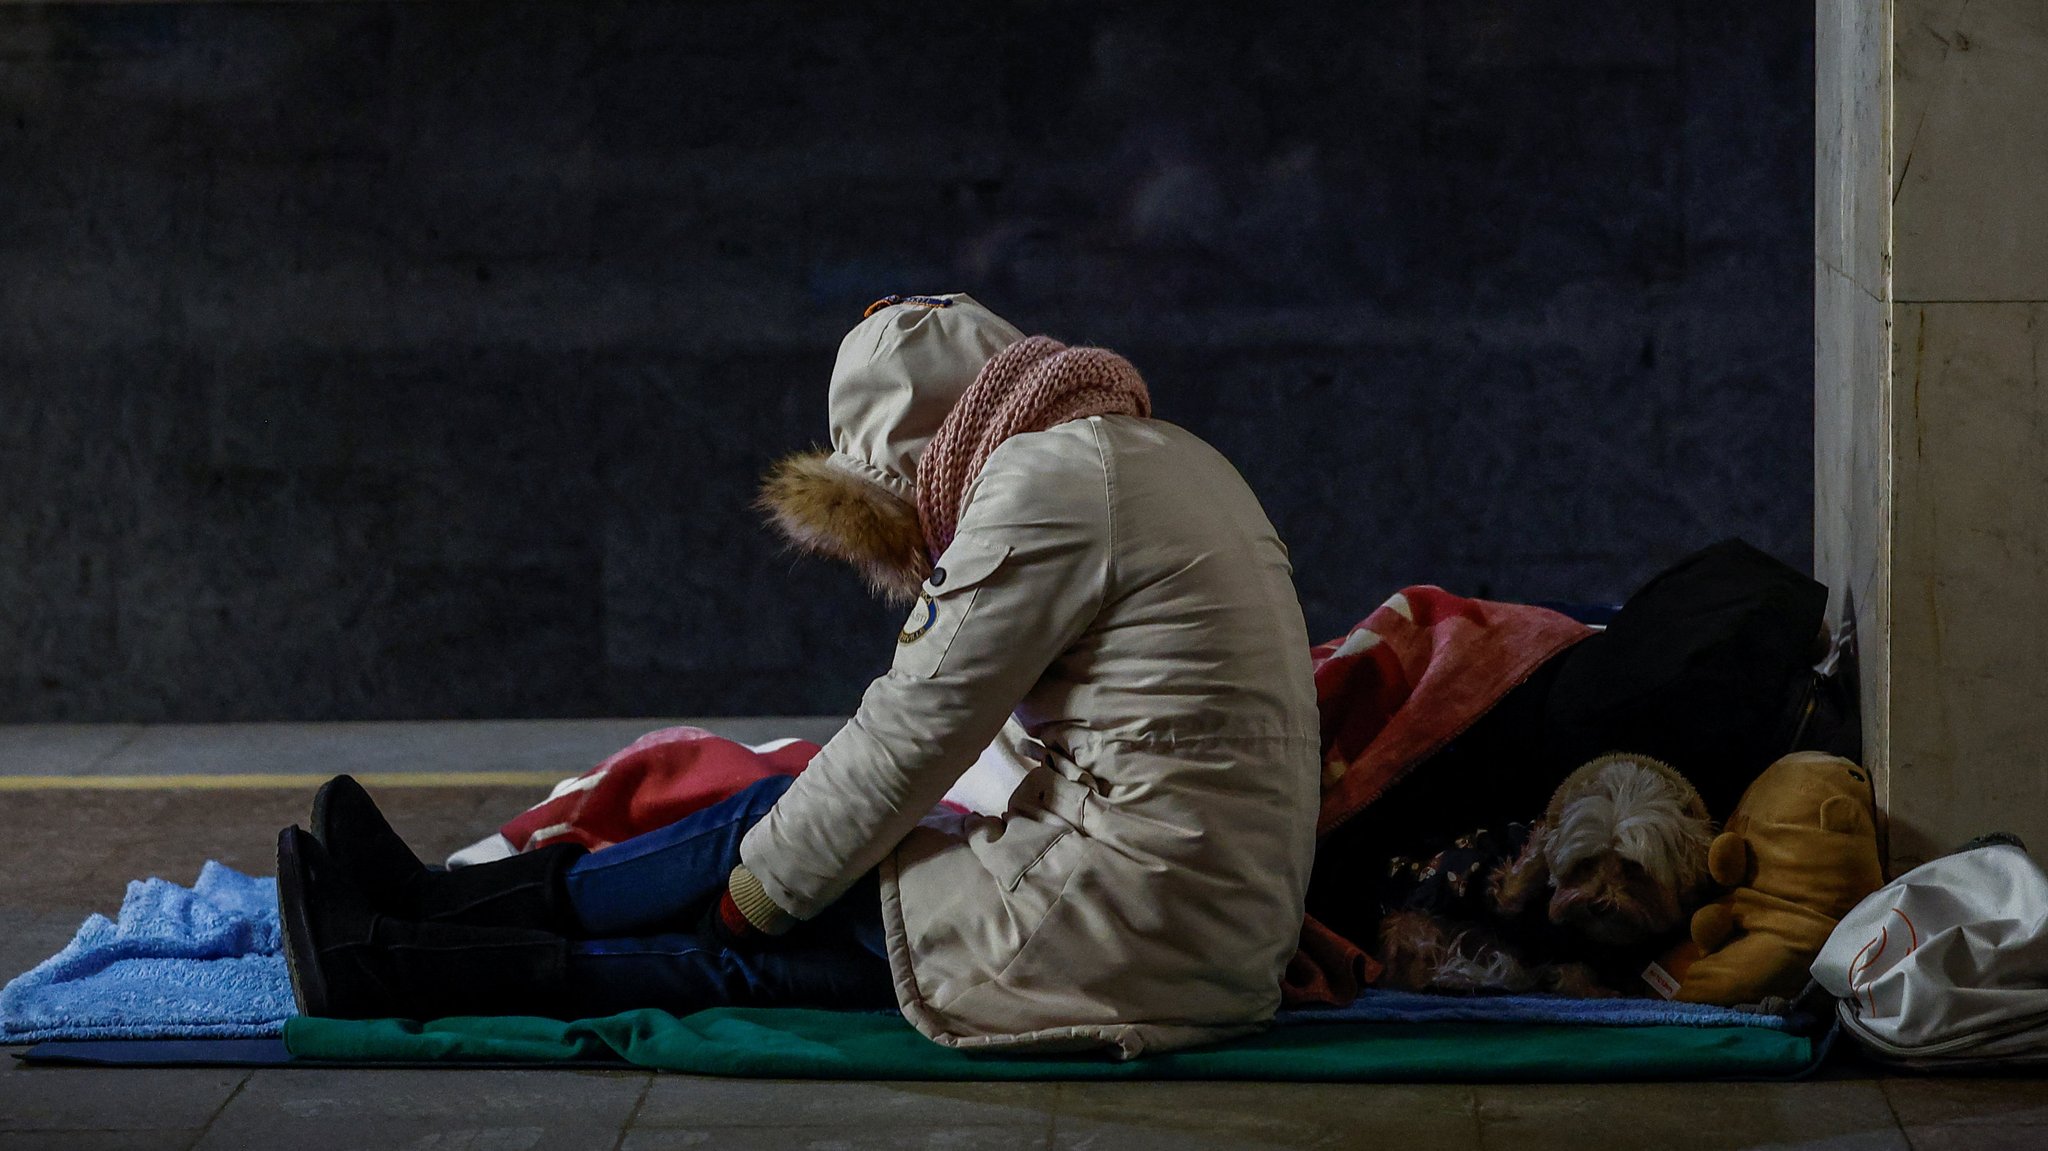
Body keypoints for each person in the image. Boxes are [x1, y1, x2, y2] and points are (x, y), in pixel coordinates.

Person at [276, 292, 1321, 1057]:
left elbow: (912, 727)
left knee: (763, 911)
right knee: (804, 883)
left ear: (923, 452)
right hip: (1189, 928)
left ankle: (416, 940)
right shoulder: (1153, 453)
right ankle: (423, 918)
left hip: (1120, 922)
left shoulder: (1049, 481)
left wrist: (756, 892)